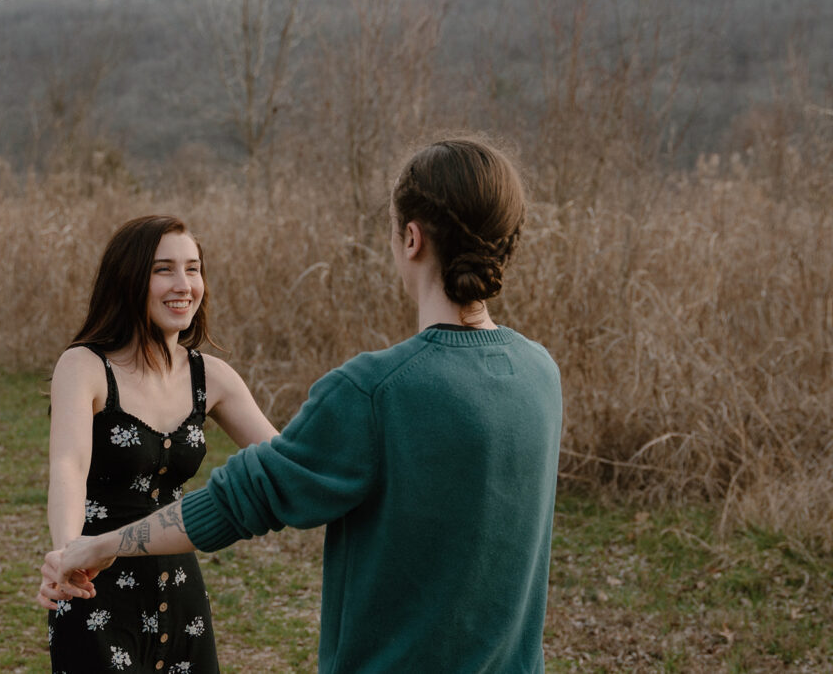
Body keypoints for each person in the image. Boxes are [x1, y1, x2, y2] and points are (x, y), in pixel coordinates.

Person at [41, 139, 564, 672]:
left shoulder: (374, 389)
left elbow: (254, 491)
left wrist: (94, 548)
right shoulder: (541, 373)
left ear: (411, 237)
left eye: (193, 268)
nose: (184, 284)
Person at [35, 215, 278, 673]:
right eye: (163, 269)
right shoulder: (85, 366)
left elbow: (287, 463)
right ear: (128, 279)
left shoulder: (213, 377)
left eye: (193, 268)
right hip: (95, 589)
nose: (183, 284)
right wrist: (69, 555)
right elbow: (68, 465)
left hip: (181, 591)